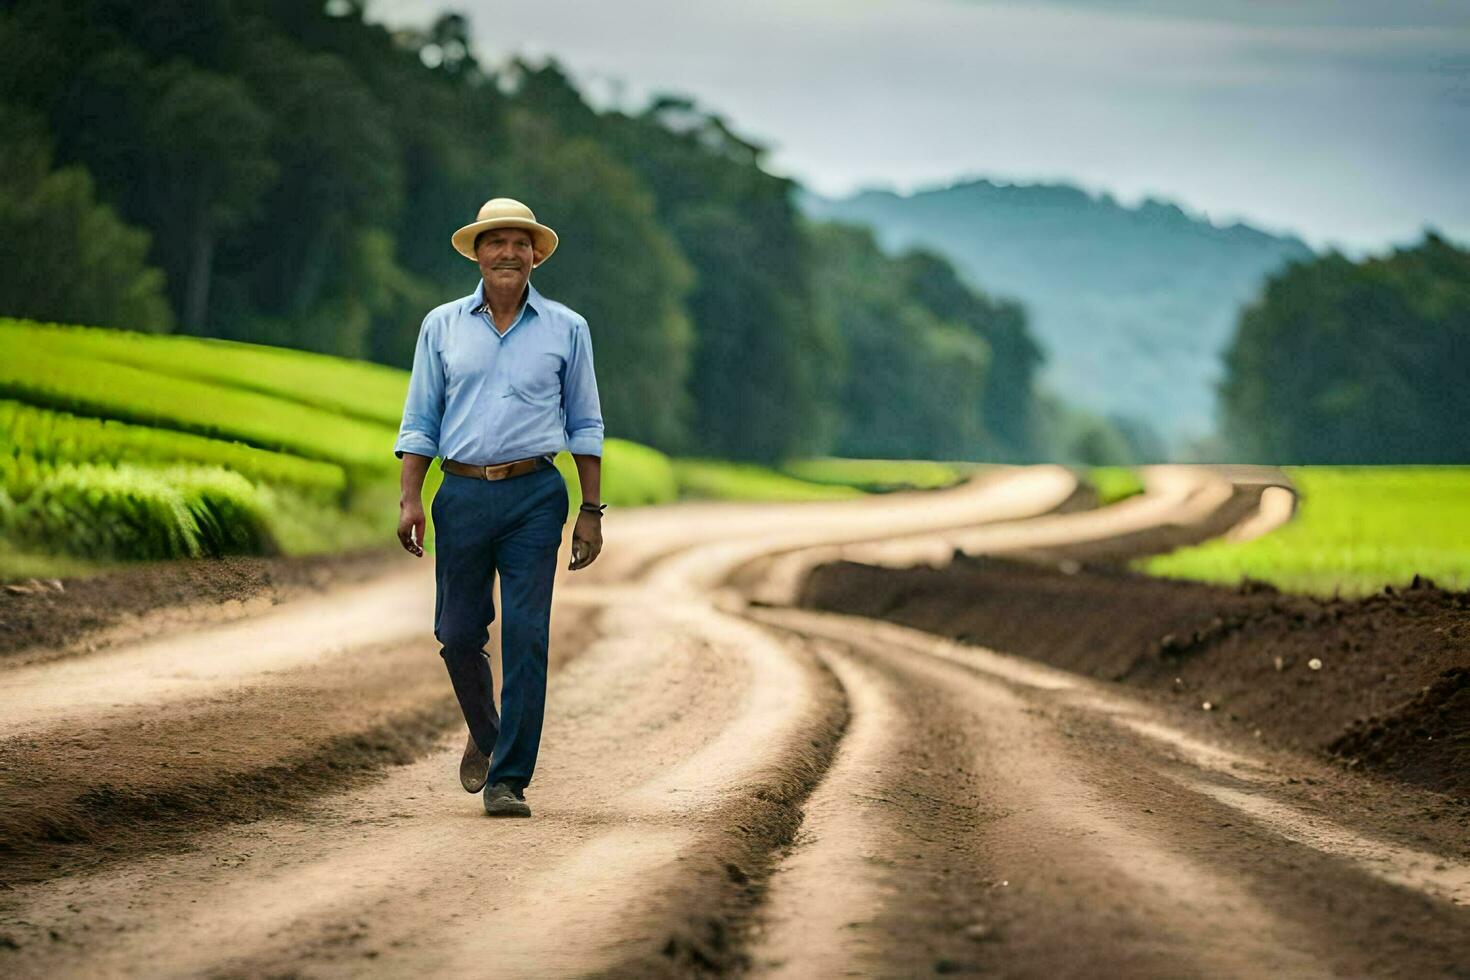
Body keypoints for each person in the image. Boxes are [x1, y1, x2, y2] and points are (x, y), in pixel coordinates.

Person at [393, 198, 606, 818]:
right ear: (478, 253)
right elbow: (421, 417)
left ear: (535, 254)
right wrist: (412, 497)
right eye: (496, 242)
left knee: (528, 634)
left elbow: (586, 423)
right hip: (459, 491)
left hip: (535, 494)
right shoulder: (442, 325)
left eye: (520, 243)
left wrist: (591, 509)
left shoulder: (568, 328)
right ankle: (488, 733)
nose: (509, 253)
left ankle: (508, 777)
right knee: (456, 634)